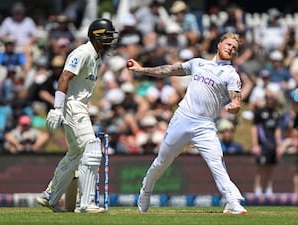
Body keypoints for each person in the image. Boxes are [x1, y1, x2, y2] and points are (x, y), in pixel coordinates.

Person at [127, 32, 247, 214]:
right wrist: (142, 70)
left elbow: (236, 101)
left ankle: (232, 201)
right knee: (162, 162)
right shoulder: (198, 63)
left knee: (217, 162)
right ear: (219, 45)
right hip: (183, 118)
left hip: (205, 125)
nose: (231, 48)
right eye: (228, 44)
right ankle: (146, 190)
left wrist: (234, 106)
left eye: (234, 48)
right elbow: (168, 70)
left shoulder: (231, 74)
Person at [36, 18, 119, 213]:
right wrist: (57, 108)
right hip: (73, 106)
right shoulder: (83, 52)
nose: (109, 39)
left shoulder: (96, 57)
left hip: (80, 106)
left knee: (74, 155)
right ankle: (86, 203)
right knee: (92, 149)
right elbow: (64, 76)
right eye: (106, 35)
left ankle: (50, 196)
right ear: (96, 35)